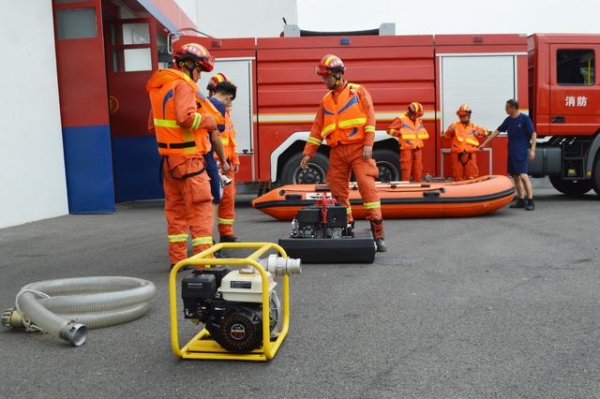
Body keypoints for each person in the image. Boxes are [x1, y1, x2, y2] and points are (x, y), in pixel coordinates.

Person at [146, 43, 226, 269]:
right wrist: (210, 121)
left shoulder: (160, 86)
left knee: (176, 214)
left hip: (169, 162)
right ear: (187, 65)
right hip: (190, 161)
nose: (199, 76)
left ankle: (178, 260)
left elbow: (152, 126)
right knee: (201, 213)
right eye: (199, 70)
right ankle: (204, 265)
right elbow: (186, 118)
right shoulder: (183, 85)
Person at [299, 54, 387, 252]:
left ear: (338, 74)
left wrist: (368, 144)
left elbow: (371, 118)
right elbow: (317, 128)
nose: (324, 81)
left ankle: (378, 233)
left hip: (358, 150)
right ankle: (345, 224)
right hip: (337, 151)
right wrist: (308, 153)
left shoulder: (358, 92)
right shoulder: (326, 100)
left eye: (326, 77)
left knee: (367, 189)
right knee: (338, 192)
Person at [479, 99, 537, 210]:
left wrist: (533, 150)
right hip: (511, 152)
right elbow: (497, 131)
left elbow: (533, 134)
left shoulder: (524, 119)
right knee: (515, 176)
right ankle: (521, 200)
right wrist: (484, 143)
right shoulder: (509, 120)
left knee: (523, 176)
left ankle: (530, 201)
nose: (505, 109)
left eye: (507, 107)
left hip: (521, 152)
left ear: (513, 108)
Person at [206, 73, 241, 243]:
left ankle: (226, 233)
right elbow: (213, 139)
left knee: (228, 199)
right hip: (214, 162)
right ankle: (208, 238)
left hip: (226, 162)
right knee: (212, 201)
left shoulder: (225, 113)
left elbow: (230, 139)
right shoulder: (210, 110)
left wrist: (234, 160)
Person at [443, 104, 489, 181]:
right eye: (461, 116)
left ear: (469, 115)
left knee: (472, 176)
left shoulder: (474, 126)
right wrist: (449, 131)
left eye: (464, 115)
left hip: (470, 155)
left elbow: (487, 132)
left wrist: (479, 132)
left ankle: (471, 192)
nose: (462, 117)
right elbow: (446, 137)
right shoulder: (454, 125)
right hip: (457, 155)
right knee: (457, 177)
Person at [385, 102, 429, 182]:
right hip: (406, 149)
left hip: (417, 148)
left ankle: (417, 186)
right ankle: (405, 189)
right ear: (409, 112)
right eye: (415, 115)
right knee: (406, 170)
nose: (417, 117)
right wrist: (399, 134)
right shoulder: (401, 119)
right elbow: (389, 130)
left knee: (418, 169)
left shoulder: (419, 120)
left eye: (419, 115)